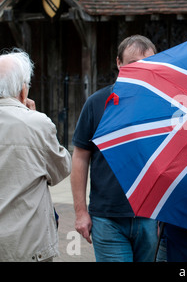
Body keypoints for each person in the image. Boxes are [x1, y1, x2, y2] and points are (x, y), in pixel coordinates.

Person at [71, 35, 166, 262]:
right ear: (119, 63)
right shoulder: (97, 103)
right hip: (107, 217)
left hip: (150, 216)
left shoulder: (163, 106)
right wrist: (80, 212)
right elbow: (80, 157)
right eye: (134, 64)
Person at [0, 49, 71, 262]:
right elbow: (61, 169)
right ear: (23, 89)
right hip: (28, 244)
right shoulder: (37, 124)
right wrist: (33, 115)